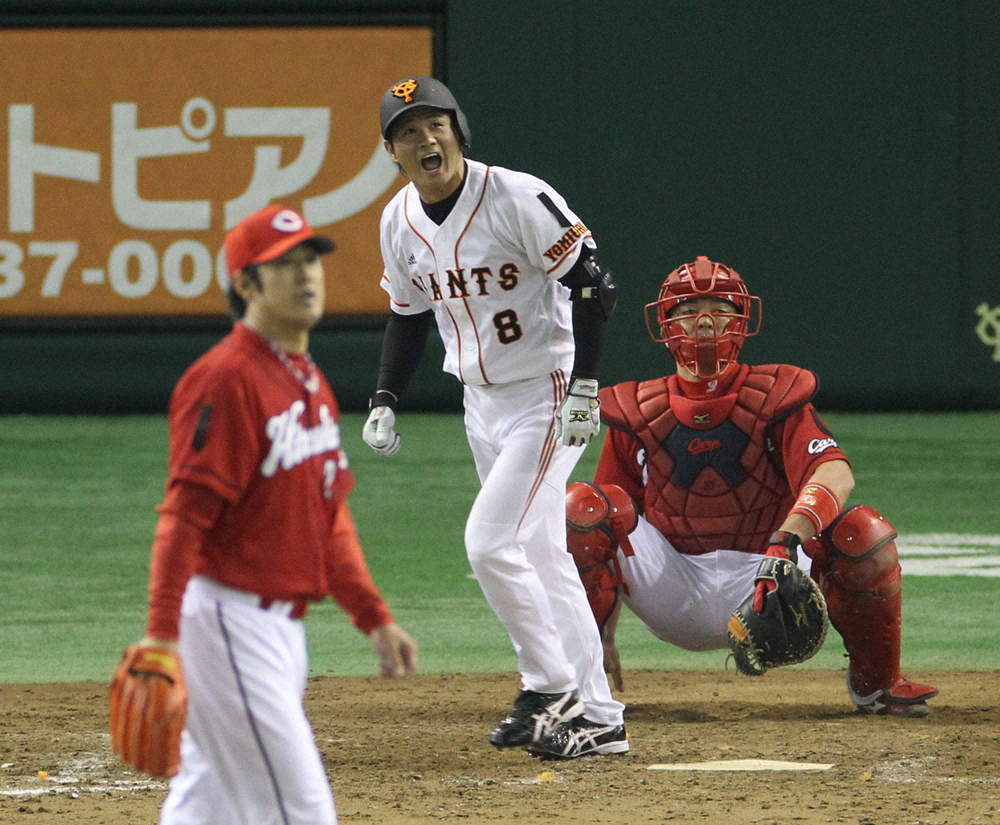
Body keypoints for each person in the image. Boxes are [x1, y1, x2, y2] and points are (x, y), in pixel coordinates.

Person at [361, 76, 627, 759]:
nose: (426, 139)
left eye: (435, 124)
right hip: (481, 404)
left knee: (487, 542)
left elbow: (594, 284)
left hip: (547, 391)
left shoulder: (515, 195)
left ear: (458, 128)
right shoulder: (399, 221)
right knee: (540, 554)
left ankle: (549, 687)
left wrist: (586, 387)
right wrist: (386, 396)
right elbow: (407, 317)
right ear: (391, 149)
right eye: (408, 131)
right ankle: (598, 717)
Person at [133, 204, 418, 824]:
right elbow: (184, 517)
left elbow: (328, 515)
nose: (305, 275)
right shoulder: (225, 380)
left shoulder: (307, 378)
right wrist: (160, 636)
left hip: (280, 632)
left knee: (205, 802)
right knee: (303, 811)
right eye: (282, 265)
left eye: (310, 259)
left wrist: (372, 616)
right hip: (231, 625)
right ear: (246, 285)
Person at [567, 255, 939, 717]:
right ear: (664, 323)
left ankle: (878, 684)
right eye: (687, 310)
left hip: (770, 571)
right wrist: (600, 633)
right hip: (672, 586)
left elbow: (834, 472)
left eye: (718, 308)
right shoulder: (635, 409)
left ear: (743, 319)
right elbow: (605, 528)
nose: (704, 323)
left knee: (863, 531)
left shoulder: (777, 394)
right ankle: (581, 676)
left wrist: (788, 540)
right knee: (579, 506)